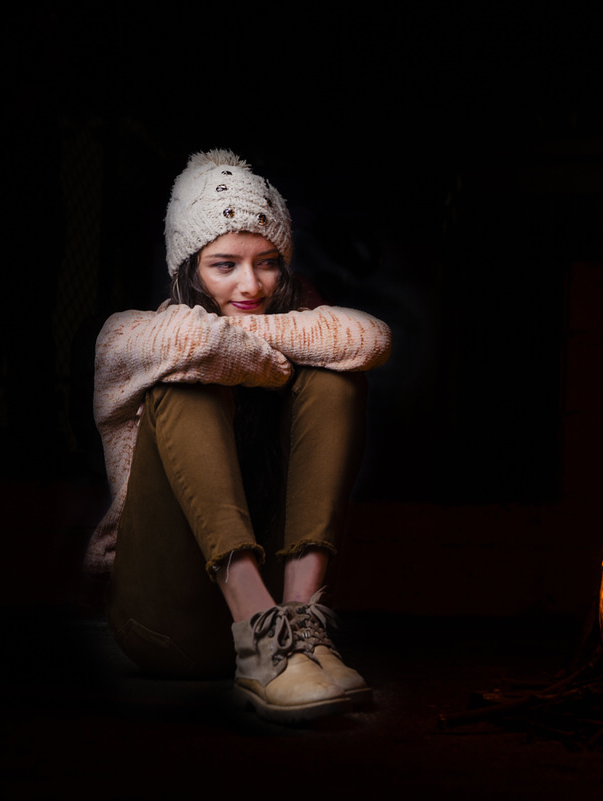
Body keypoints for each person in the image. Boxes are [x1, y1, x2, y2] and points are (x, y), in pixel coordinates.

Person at [84, 149, 392, 723]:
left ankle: (297, 625)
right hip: (166, 619)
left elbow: (370, 337)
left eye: (268, 263)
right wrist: (279, 355)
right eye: (224, 265)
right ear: (188, 269)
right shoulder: (134, 335)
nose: (251, 285)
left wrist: (255, 342)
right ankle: (259, 634)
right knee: (186, 378)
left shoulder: (288, 318)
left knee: (336, 379)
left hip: (284, 613)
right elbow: (193, 343)